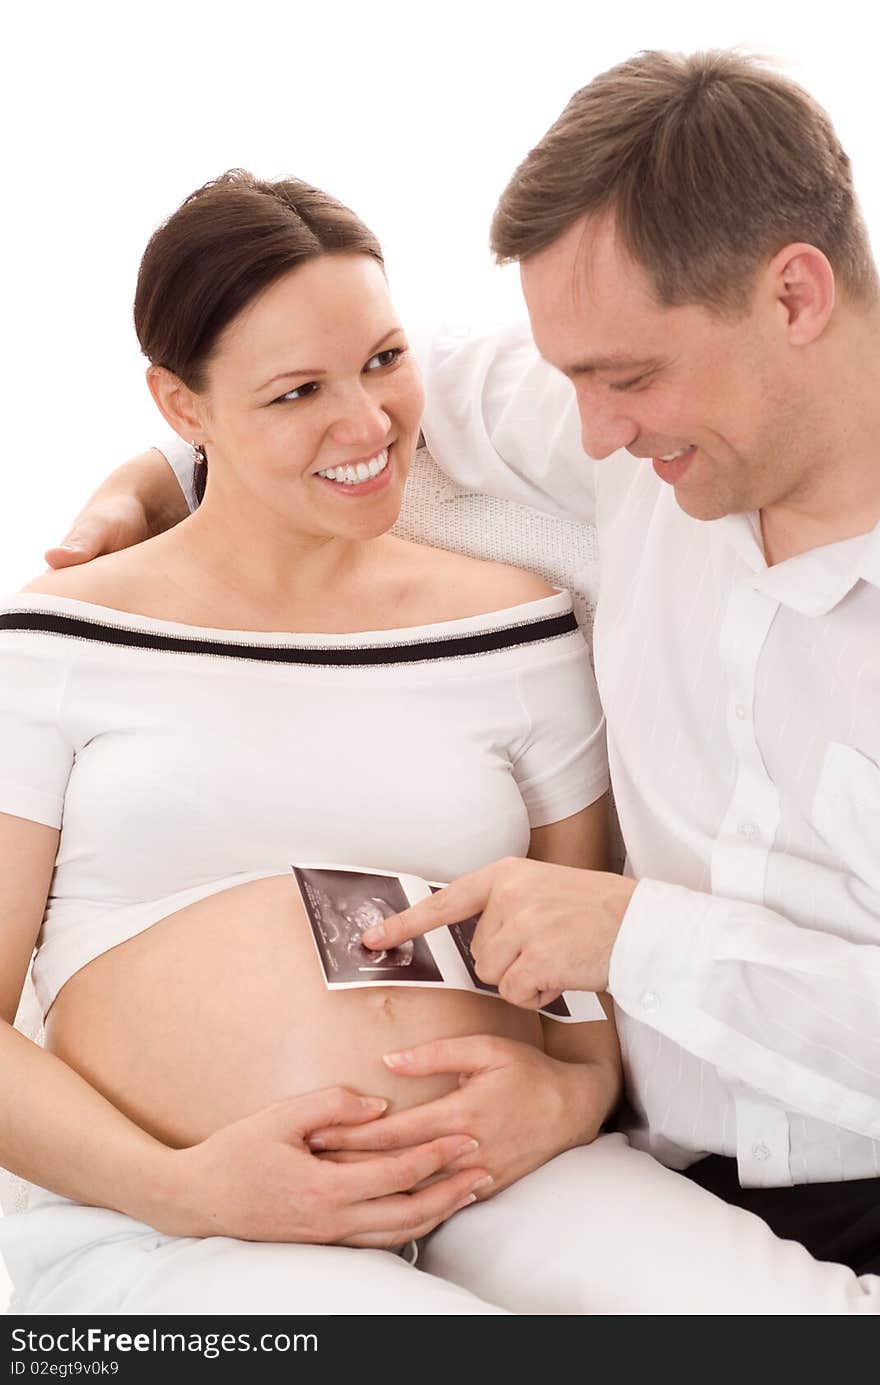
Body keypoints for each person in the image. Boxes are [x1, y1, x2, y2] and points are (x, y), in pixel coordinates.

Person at [47, 52, 880, 1314]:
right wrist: (160, 479)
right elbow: (358, 377)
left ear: (797, 295)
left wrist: (638, 941)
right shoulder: (636, 431)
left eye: (627, 379)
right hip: (629, 1170)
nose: (591, 432)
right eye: (575, 375)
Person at [0, 169, 626, 1316]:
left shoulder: (518, 622)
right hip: (169, 1220)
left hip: (504, 1173)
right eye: (296, 392)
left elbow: (584, 969)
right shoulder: (56, 638)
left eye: (385, 360)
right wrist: (184, 1185)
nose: (368, 424)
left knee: (801, 1326)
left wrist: (569, 1101)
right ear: (181, 407)